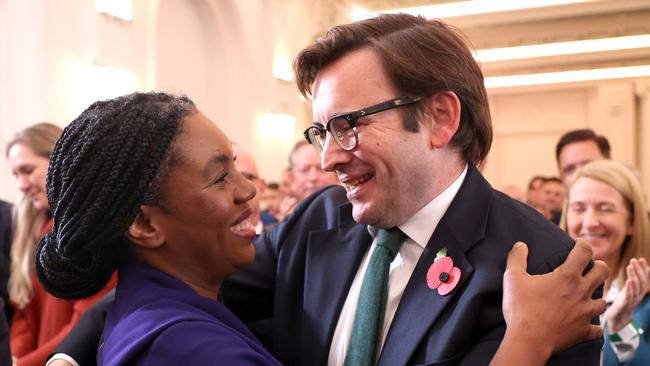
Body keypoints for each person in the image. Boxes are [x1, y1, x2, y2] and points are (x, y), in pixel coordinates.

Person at [49, 15, 610, 366]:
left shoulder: (541, 272)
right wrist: (67, 361)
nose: (327, 158)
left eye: (349, 124)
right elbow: (169, 289)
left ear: (439, 117)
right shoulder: (319, 220)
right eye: (322, 131)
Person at [35, 92, 281, 366]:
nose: (249, 190)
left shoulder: (148, 310)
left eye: (235, 167)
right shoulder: (193, 349)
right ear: (144, 225)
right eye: (221, 177)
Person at [6, 123, 116, 366]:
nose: (21, 185)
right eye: (16, 175)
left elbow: (85, 324)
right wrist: (14, 357)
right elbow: (24, 311)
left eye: (28, 170)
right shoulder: (33, 232)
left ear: (60, 160)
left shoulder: (89, 230)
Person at [560, 160, 650, 365]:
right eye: (579, 208)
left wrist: (622, 327)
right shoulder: (547, 287)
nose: (590, 222)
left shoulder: (646, 301)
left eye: (605, 209)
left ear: (632, 223)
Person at [276, 140, 339, 220]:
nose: (313, 177)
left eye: (321, 169)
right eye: (304, 170)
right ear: (291, 178)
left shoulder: (355, 221)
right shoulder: (277, 228)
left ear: (337, 174)